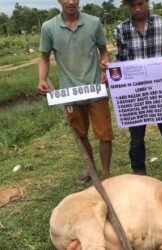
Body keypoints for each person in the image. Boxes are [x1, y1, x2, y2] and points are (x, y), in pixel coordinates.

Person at [37, 0, 113, 184]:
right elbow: (44, 58)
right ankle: (91, 169)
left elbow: (104, 51)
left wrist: (105, 68)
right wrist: (41, 79)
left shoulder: (93, 22)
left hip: (95, 88)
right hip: (69, 92)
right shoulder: (49, 27)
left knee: (105, 134)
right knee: (80, 133)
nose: (71, 1)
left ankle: (106, 174)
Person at [113, 0, 162, 181]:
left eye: (140, 4)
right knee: (136, 138)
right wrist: (111, 70)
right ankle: (139, 174)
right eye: (132, 6)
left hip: (161, 91)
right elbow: (120, 58)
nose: (137, 9)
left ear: (147, 2)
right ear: (126, 6)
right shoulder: (121, 29)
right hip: (136, 94)